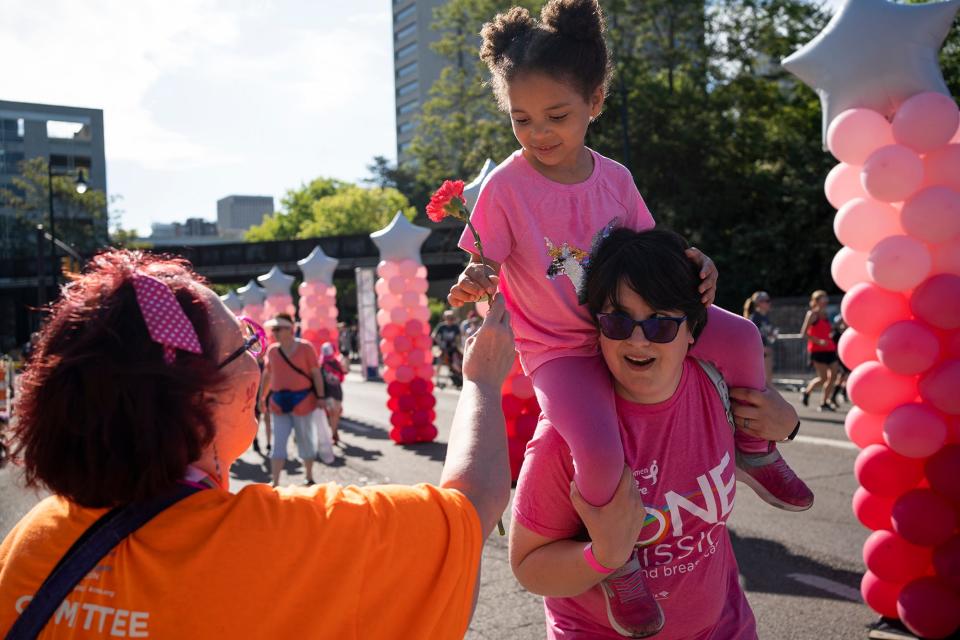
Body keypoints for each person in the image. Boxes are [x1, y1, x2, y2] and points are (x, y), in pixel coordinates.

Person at [447, 1, 812, 633]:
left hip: (633, 320)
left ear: (595, 99)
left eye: (557, 115)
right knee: (595, 449)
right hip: (562, 351)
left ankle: (755, 449)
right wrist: (476, 277)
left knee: (745, 336)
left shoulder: (615, 177)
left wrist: (699, 269)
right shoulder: (506, 187)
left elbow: (655, 254)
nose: (539, 133)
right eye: (521, 119)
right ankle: (619, 568)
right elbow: (483, 264)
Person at [0, 249, 514, 639]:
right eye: (247, 345)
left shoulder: (34, 541)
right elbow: (472, 508)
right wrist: (483, 379)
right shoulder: (297, 539)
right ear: (199, 401)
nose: (258, 362)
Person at [511, 228, 800, 639]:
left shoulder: (717, 386)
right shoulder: (570, 436)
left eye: (661, 323)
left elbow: (768, 426)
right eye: (617, 320)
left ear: (692, 331)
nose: (637, 339)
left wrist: (789, 428)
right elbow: (529, 567)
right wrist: (604, 556)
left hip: (725, 625)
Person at [259, 313, 328, 486]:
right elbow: (268, 375)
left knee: (305, 440)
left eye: (278, 329)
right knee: (278, 444)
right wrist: (262, 396)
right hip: (278, 402)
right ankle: (275, 482)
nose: (274, 332)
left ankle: (309, 476)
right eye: (273, 329)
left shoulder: (305, 348)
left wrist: (320, 396)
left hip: (303, 400)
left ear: (290, 330)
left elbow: (315, 373)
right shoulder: (273, 350)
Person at [799, 290, 839, 412]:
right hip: (817, 350)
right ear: (816, 301)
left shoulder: (827, 314)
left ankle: (824, 402)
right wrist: (819, 341)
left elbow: (827, 331)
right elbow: (803, 333)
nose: (826, 300)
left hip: (830, 349)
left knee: (833, 376)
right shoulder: (812, 314)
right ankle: (807, 391)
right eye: (823, 298)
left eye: (826, 298)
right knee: (822, 379)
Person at [743, 291, 777, 384]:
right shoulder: (754, 317)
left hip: (764, 352)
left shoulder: (765, 317)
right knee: (763, 382)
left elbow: (764, 334)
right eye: (767, 301)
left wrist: (772, 335)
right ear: (759, 303)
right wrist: (762, 348)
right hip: (757, 352)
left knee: (768, 381)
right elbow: (748, 337)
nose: (769, 303)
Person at [320, 341, 346, 445]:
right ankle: (334, 433)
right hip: (334, 392)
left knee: (333, 413)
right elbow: (342, 377)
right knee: (334, 413)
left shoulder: (323, 363)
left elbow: (342, 376)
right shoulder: (333, 363)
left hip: (331, 392)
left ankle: (334, 432)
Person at [433, 309, 463, 388]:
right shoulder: (441, 326)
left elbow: (458, 339)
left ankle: (458, 380)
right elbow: (434, 336)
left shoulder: (455, 327)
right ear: (445, 318)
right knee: (439, 363)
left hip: (452, 349)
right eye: (448, 317)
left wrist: (458, 348)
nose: (450, 319)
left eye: (451, 317)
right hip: (443, 349)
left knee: (455, 364)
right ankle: (437, 380)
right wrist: (440, 343)